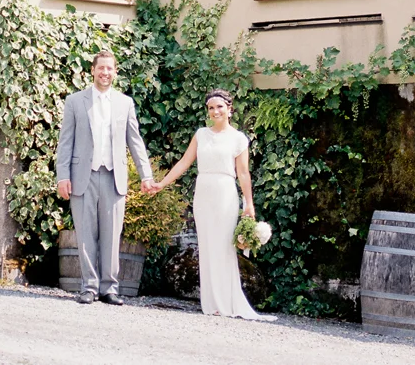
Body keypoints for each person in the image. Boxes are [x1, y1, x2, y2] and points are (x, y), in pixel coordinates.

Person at [154, 89, 275, 320]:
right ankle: (211, 302)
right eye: (211, 108)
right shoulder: (201, 134)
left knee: (223, 247)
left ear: (229, 109)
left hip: (225, 193)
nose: (215, 111)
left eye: (219, 106)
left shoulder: (238, 139)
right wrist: (162, 183)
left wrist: (249, 204)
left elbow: (243, 173)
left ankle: (226, 302)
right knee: (208, 246)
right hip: (203, 193)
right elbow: (184, 162)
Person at [56, 49, 156, 306]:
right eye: (101, 68)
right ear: (92, 70)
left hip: (113, 177)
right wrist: (62, 176)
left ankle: (110, 288)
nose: (105, 72)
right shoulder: (75, 101)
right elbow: (65, 142)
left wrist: (146, 175)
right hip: (83, 176)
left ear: (115, 72)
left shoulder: (125, 103)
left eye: (110, 68)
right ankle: (89, 287)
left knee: (112, 235)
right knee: (85, 234)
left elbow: (135, 141)